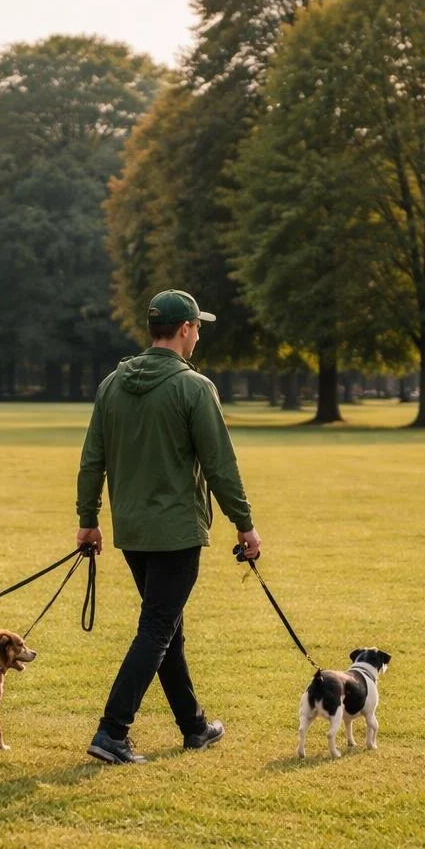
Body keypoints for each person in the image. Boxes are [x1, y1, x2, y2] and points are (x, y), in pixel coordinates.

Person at [75, 289, 262, 764]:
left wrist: (88, 520)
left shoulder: (112, 384)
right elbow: (220, 464)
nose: (198, 334)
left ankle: (194, 726)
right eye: (197, 326)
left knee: (166, 626)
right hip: (176, 531)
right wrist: (245, 524)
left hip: (133, 533)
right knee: (158, 627)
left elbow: (91, 458)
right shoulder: (194, 388)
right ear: (183, 330)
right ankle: (112, 732)